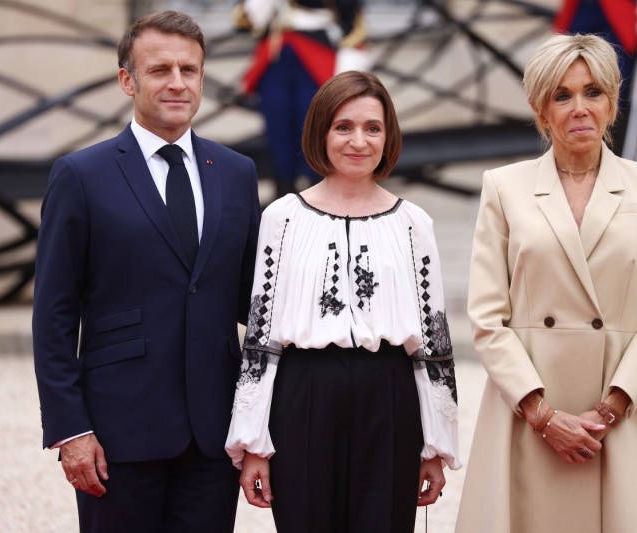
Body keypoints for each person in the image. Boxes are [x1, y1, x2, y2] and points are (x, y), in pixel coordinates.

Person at [32, 11, 260, 533]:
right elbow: (53, 316)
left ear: (203, 78)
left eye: (189, 69)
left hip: (213, 435)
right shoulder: (80, 175)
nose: (177, 83)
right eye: (160, 70)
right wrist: (70, 429)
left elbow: (256, 302)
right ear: (127, 80)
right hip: (116, 434)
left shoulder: (236, 172)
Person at [455, 34, 637, 532]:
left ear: (612, 104)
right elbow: (487, 318)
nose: (578, 108)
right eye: (562, 96)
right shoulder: (504, 187)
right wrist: (543, 416)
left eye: (592, 93)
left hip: (618, 418)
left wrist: (611, 407)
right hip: (529, 414)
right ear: (541, 112)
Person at [225, 70, 461, 533]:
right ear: (321, 132)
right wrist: (253, 442)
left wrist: (435, 446)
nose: (359, 141)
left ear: (389, 135)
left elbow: (434, 343)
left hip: (389, 397)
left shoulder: (414, 224)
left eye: (372, 127)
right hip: (303, 395)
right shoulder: (282, 218)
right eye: (343, 127)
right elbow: (260, 337)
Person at [234, 0, 368, 199]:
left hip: (316, 56)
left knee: (316, 133)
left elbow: (351, 21)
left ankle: (319, 199)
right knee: (278, 134)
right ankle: (283, 197)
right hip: (276, 58)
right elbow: (247, 20)